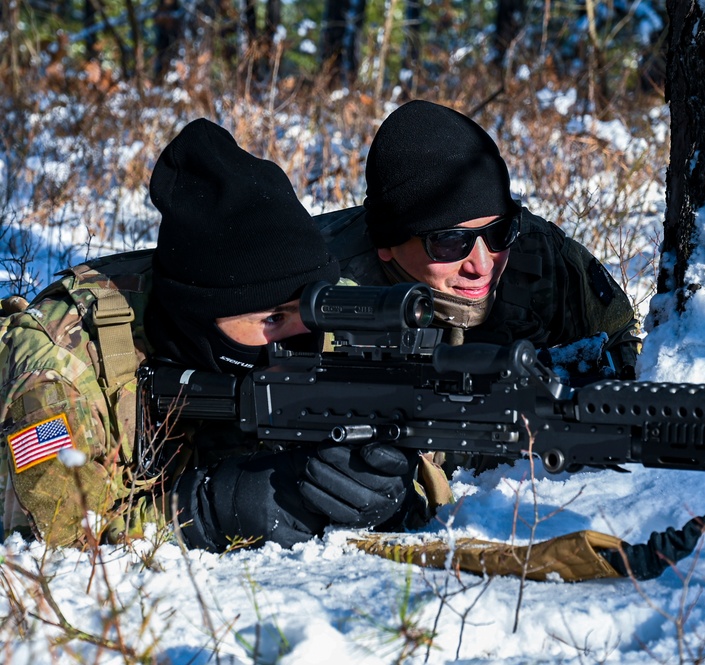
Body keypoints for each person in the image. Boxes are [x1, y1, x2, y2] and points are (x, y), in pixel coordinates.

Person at [0, 119, 432, 550]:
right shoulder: (59, 364)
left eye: (308, 312)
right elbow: (54, 539)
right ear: (200, 318)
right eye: (272, 320)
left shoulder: (330, 323)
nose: (298, 339)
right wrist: (202, 513)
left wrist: (385, 488)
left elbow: (421, 459)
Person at [315, 100, 640, 380]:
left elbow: (617, 337)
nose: (483, 265)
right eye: (450, 241)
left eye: (499, 232)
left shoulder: (537, 251)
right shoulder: (314, 281)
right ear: (387, 245)